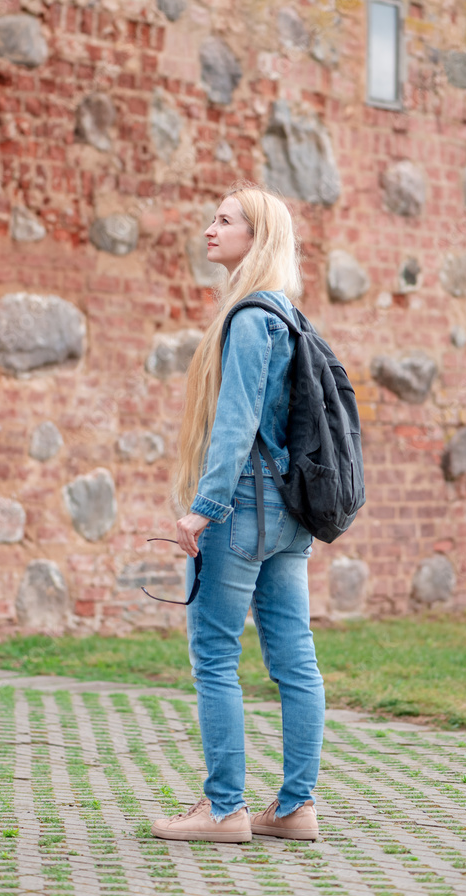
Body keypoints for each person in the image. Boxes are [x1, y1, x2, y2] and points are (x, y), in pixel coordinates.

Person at [151, 183, 325, 844]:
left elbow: (235, 423)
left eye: (224, 221)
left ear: (257, 238)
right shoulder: (289, 315)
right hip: (290, 512)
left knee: (216, 655)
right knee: (295, 659)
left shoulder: (250, 318)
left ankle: (224, 810)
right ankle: (295, 807)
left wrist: (203, 508)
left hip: (244, 505)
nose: (210, 229)